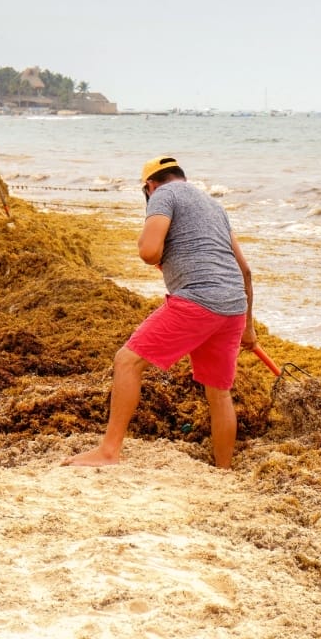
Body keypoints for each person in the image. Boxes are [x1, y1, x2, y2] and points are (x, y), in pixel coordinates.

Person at [62, 156, 258, 470]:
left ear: (150, 186)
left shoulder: (163, 195)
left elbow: (148, 251)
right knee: (219, 394)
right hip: (234, 305)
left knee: (127, 361)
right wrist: (248, 328)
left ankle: (109, 452)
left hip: (197, 299)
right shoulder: (213, 206)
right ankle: (224, 469)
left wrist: (152, 243)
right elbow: (245, 271)